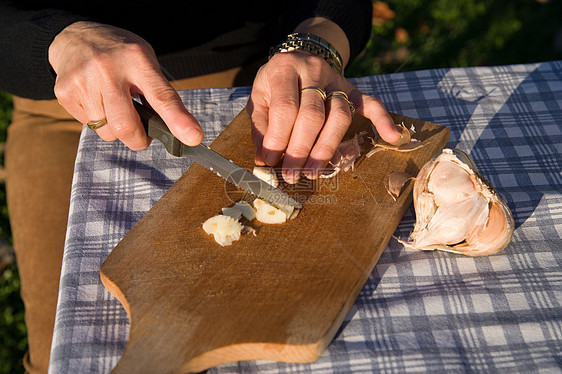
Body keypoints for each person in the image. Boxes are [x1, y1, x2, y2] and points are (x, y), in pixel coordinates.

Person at [0, 1, 401, 372]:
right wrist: (53, 38)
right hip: (59, 94)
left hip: (250, 80)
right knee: (69, 350)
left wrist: (316, 42)